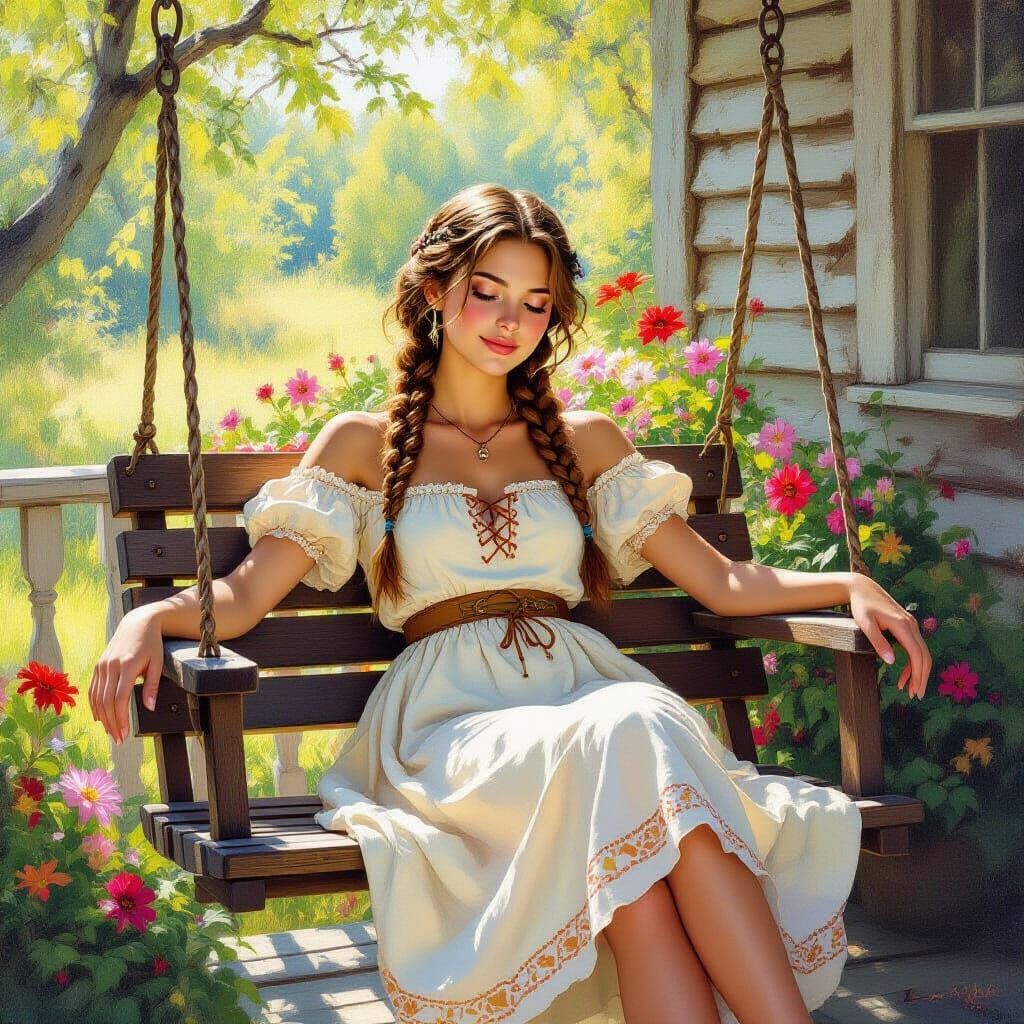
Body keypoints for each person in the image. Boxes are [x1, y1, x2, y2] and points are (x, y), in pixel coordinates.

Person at [89, 183, 932, 1024]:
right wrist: (147, 617)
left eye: (535, 304)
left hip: (588, 707)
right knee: (634, 734)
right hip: (452, 730)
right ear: (433, 293)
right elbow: (239, 598)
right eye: (487, 292)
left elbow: (724, 583)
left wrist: (849, 581)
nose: (509, 322)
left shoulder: (587, 442)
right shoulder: (362, 445)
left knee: (639, 861)